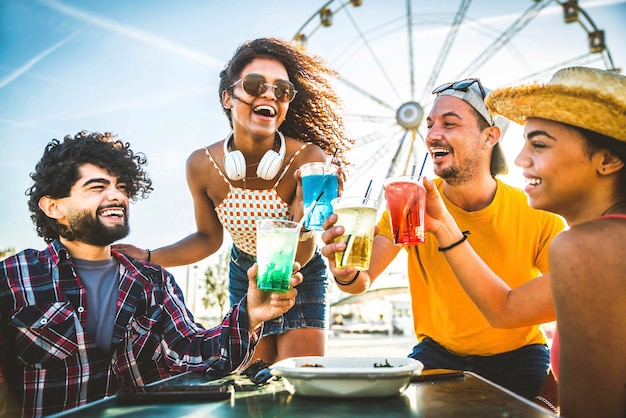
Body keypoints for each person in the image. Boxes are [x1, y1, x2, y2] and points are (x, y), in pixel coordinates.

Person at [0, 131, 303, 417]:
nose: (116, 196)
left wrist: (249, 314)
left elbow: (197, 354)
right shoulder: (13, 279)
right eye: (97, 187)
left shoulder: (152, 283)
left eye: (121, 187)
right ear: (53, 206)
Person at [320, 77, 566, 400]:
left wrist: (550, 395)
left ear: (489, 137)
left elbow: (573, 309)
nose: (433, 135)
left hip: (519, 358)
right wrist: (345, 270)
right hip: (437, 355)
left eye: (449, 124)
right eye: (431, 124)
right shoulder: (410, 203)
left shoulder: (537, 213)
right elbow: (360, 279)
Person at [113, 37, 352, 365]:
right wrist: (149, 257)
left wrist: (304, 211)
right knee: (254, 381)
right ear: (228, 96)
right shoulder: (201, 165)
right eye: (255, 85)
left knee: (301, 379)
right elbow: (208, 238)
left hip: (301, 271)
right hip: (245, 271)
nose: (269, 94)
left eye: (281, 90)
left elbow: (302, 249)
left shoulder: (309, 159)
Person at [421, 66, 625, 417]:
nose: (519, 160)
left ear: (607, 159)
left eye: (540, 144)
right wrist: (444, 226)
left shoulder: (585, 247)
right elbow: (508, 309)